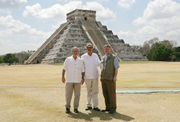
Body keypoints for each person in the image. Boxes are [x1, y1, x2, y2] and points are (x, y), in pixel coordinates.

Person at [62, 47, 85, 113]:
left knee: (77, 95)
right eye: (74, 51)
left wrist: (83, 78)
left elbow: (83, 71)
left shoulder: (80, 60)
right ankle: (67, 107)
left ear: (78, 52)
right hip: (69, 80)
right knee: (68, 95)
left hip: (78, 80)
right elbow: (64, 69)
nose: (75, 52)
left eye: (76, 51)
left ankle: (75, 108)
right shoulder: (68, 59)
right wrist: (63, 77)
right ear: (72, 52)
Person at [81, 43, 101, 111]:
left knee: (95, 91)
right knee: (89, 91)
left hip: (95, 76)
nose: (89, 49)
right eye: (88, 47)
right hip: (87, 77)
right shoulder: (83, 56)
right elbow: (82, 67)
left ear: (93, 48)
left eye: (91, 47)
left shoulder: (95, 55)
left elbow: (99, 64)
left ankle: (95, 106)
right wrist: (82, 77)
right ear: (86, 48)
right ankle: (89, 105)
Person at [100, 45, 119, 114]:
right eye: (105, 49)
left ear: (110, 50)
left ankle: (113, 108)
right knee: (105, 94)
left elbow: (116, 68)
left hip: (110, 78)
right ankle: (107, 107)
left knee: (112, 94)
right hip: (103, 78)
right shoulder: (103, 57)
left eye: (107, 49)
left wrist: (115, 77)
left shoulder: (114, 57)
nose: (106, 50)